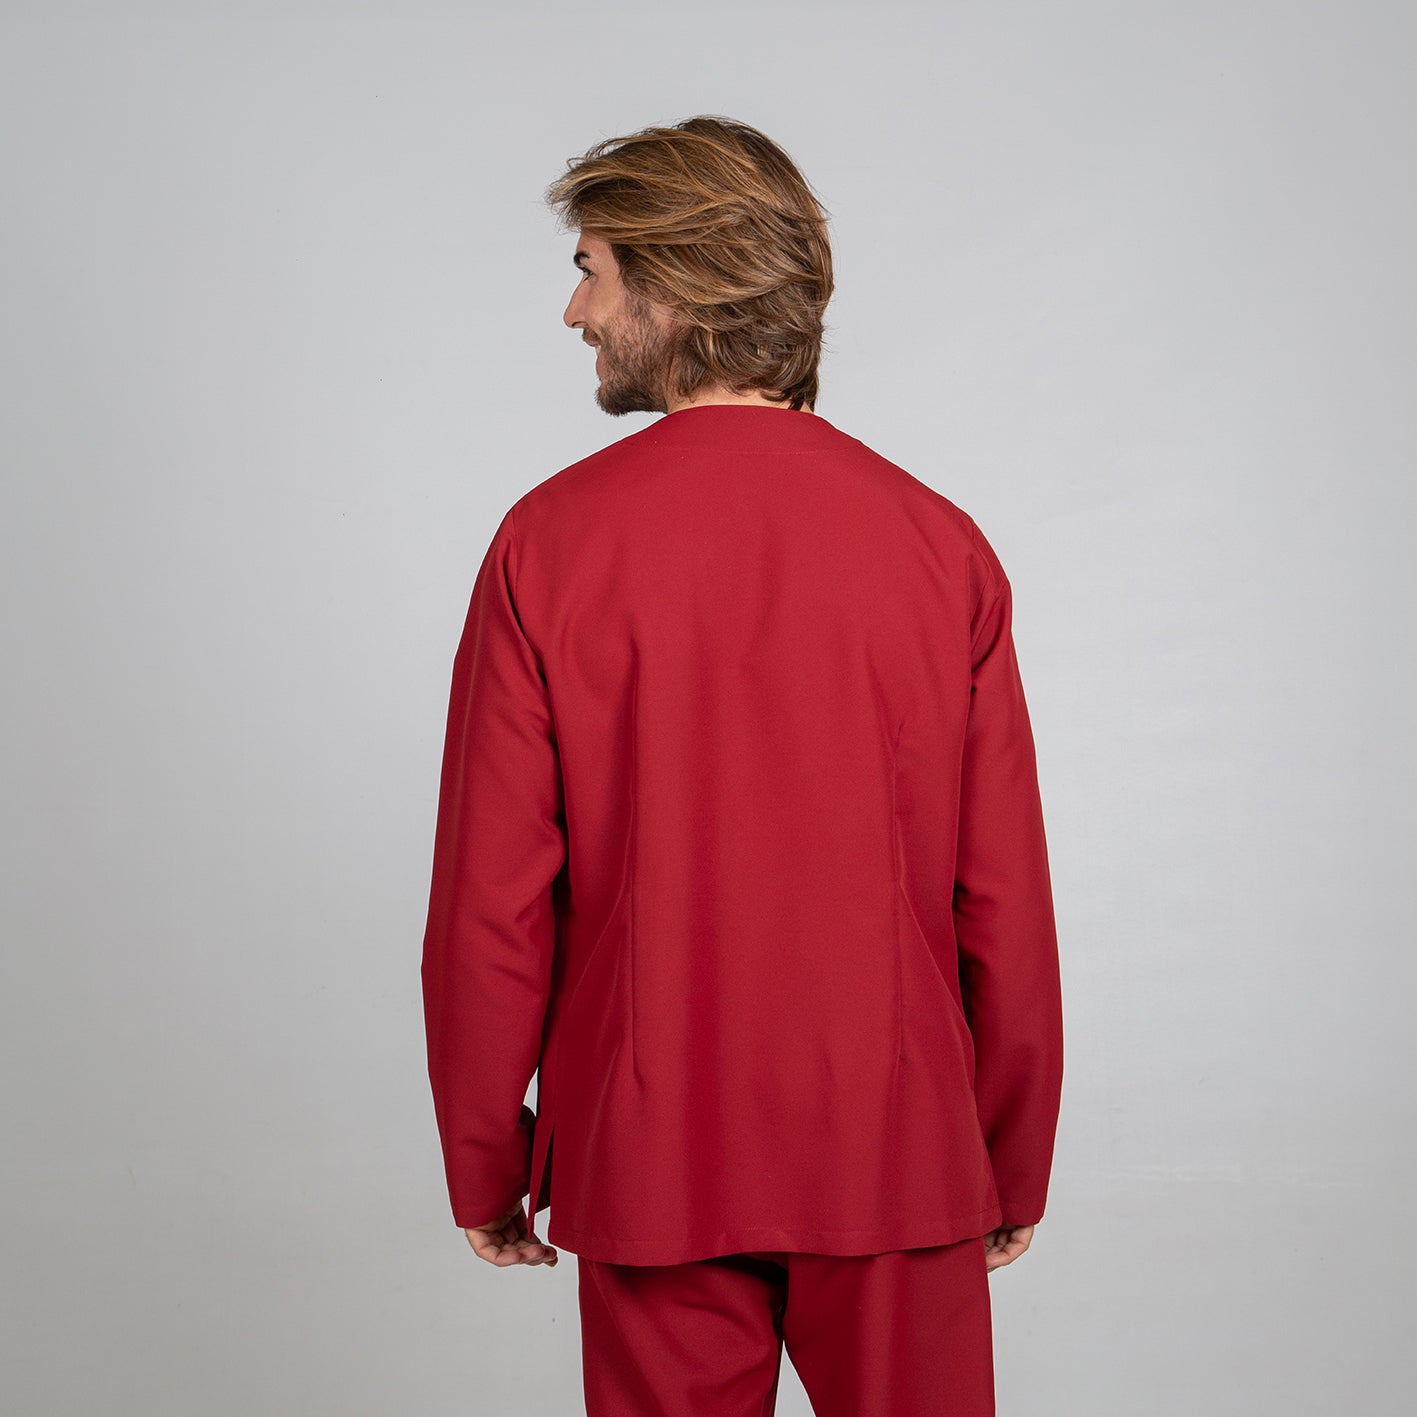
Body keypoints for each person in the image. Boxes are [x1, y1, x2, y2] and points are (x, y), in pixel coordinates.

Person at [420, 114, 1064, 1417]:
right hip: (897, 1153)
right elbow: (1000, 896)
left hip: (650, 1156)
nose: (573, 311)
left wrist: (487, 1155)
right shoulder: (939, 548)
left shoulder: (547, 545)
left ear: (677, 281)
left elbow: (490, 907)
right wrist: (1006, 1149)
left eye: (592, 271)